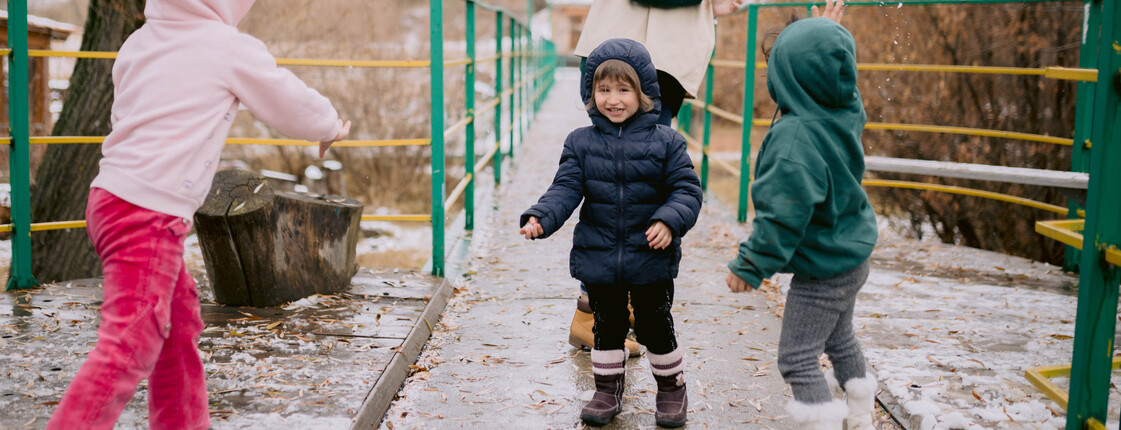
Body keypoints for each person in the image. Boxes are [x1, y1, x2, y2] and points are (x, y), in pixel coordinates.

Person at [47, 1, 350, 429]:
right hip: (146, 215)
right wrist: (329, 126)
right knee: (132, 341)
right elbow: (287, 98)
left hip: (110, 198)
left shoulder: (138, 43)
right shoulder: (225, 46)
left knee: (176, 321)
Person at [519, 38, 703, 427]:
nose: (613, 99)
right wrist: (541, 217)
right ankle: (606, 390)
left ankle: (672, 389)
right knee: (607, 325)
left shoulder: (667, 141)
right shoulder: (580, 143)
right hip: (599, 253)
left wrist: (669, 220)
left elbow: (686, 191)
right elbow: (565, 188)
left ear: (644, 92)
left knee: (655, 323)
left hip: (650, 252)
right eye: (603, 90)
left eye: (624, 90)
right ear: (590, 93)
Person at [724, 1, 878, 429]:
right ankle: (861, 415)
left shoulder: (794, 141)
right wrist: (827, 36)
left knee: (796, 357)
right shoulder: (845, 107)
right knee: (839, 336)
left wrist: (750, 266)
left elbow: (782, 217)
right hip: (852, 253)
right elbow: (831, 69)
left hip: (824, 267)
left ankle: (821, 422)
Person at [566, 0, 745, 356]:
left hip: (646, 47)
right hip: (642, 51)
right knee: (627, 183)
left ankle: (605, 313)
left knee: (630, 182)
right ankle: (597, 314)